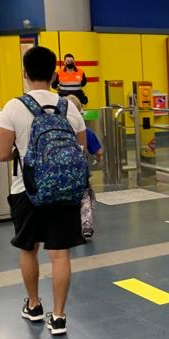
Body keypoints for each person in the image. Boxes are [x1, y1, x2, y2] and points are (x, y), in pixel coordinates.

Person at [0, 46, 88, 336]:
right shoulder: (68, 107)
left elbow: (2, 152)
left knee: (28, 248)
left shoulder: (13, 107)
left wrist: (17, 153)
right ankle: (58, 316)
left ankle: (34, 305)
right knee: (59, 255)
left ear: (25, 73)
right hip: (65, 189)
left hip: (27, 189)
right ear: (54, 75)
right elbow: (81, 147)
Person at [66, 95, 102, 239]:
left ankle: (69, 225)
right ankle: (86, 224)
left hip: (63, 171)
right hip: (81, 170)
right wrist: (99, 159)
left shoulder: (60, 131)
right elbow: (98, 151)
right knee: (85, 196)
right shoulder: (87, 132)